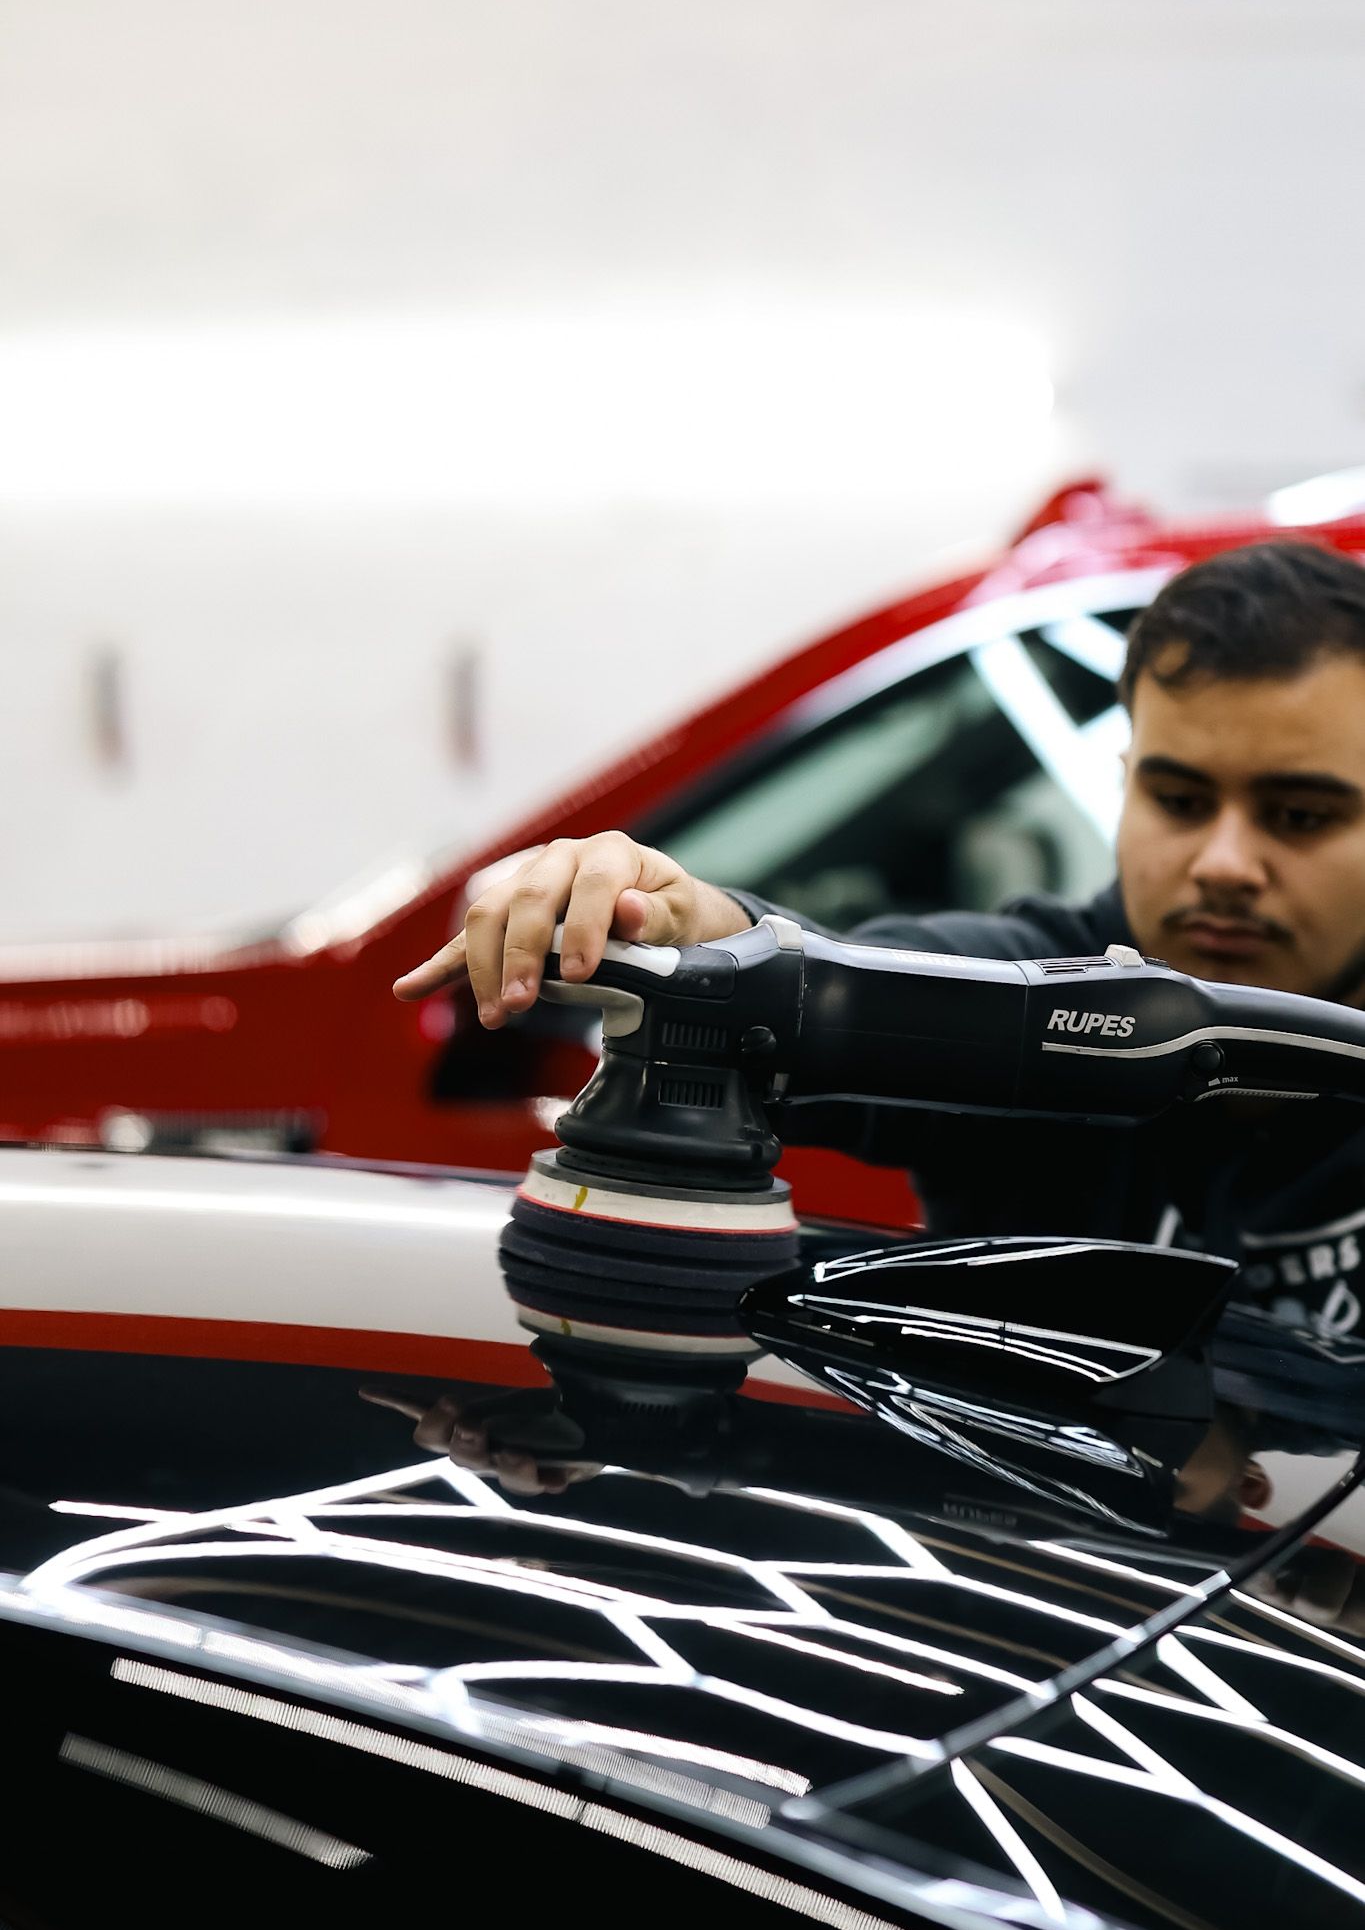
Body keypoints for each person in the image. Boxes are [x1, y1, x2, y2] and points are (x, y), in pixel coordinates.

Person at [395, 539, 1365, 1366]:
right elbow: (842, 987)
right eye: (1180, 801)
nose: (1226, 862)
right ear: (1127, 782)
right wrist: (693, 927)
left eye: (1300, 814)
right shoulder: (1036, 991)